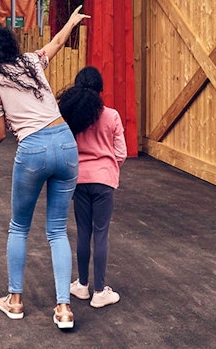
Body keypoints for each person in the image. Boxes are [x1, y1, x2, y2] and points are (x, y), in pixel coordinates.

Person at [0, 6, 89, 330]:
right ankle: (63, 309)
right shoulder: (30, 63)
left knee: (19, 227)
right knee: (57, 230)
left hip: (33, 149)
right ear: (7, 43)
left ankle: (15, 301)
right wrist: (70, 22)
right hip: (65, 142)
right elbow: (55, 45)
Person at [57, 66, 127, 308]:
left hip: (79, 180)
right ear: (100, 90)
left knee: (83, 232)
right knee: (101, 234)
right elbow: (121, 152)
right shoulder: (112, 116)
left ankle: (82, 285)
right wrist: (108, 168)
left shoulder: (73, 117)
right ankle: (100, 291)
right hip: (104, 181)